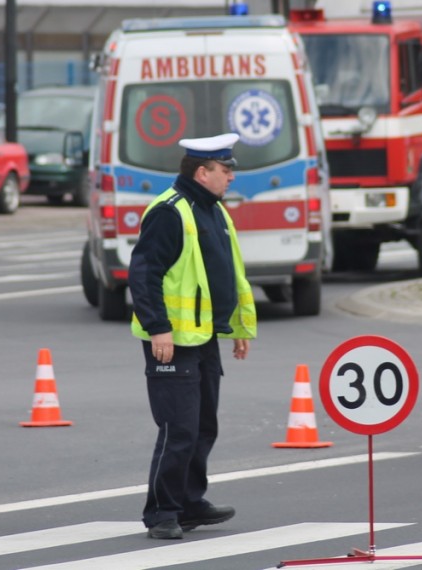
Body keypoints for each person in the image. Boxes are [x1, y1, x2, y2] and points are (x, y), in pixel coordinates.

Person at [127, 132, 258, 540]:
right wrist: (159, 328)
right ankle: (162, 512)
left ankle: (189, 501)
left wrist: (235, 327)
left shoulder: (214, 210)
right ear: (203, 173)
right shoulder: (170, 211)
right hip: (173, 341)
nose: (231, 177)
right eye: (225, 170)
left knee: (203, 427)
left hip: (203, 338)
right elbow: (144, 272)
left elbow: (224, 274)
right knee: (178, 429)